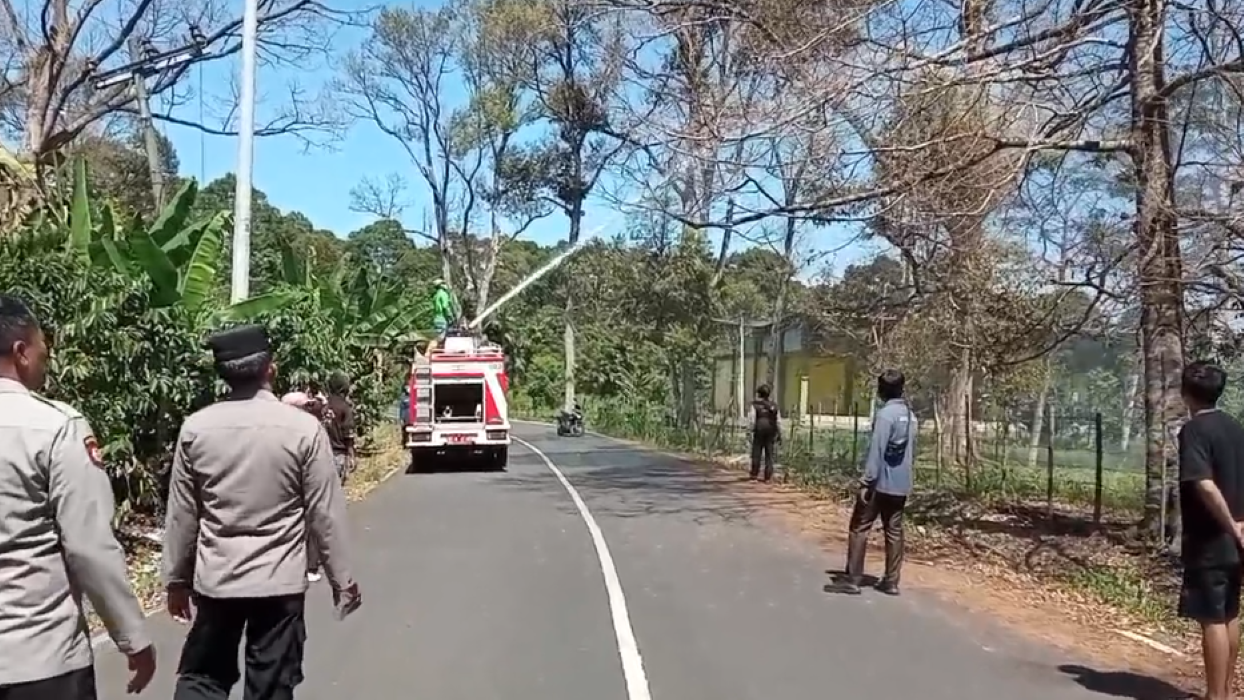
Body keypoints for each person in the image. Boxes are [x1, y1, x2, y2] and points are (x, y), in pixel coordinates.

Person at [162, 324, 360, 700]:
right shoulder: (303, 429)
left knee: (202, 677)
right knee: (271, 685)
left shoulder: (196, 429)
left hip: (217, 581)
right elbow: (324, 514)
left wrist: (176, 579)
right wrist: (342, 579)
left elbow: (183, 515)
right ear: (270, 368)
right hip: (279, 584)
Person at [0, 294, 156, 698]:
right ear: (21, 352)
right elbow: (89, 546)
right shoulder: (54, 426)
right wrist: (132, 635)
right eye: (42, 352)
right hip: (36, 658)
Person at [1176, 361, 1244, 700]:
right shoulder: (1235, 429)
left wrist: (1229, 524)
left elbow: (1202, 482)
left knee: (1212, 618)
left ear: (1185, 392)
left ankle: (1216, 697)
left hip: (1210, 538)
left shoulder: (1194, 431)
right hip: (1237, 540)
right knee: (1230, 612)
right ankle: (1226, 693)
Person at [838, 369, 916, 596]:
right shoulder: (911, 416)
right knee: (894, 530)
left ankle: (853, 579)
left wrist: (866, 482)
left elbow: (877, 451)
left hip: (879, 483)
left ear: (883, 390)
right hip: (900, 485)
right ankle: (891, 581)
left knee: (859, 527)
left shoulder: (885, 415)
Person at [325, 371, 356, 485]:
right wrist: (351, 456)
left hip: (322, 454)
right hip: (338, 455)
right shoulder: (345, 407)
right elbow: (348, 434)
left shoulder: (324, 405)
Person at [749, 385, 781, 482]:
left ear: (759, 394)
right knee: (769, 453)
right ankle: (768, 476)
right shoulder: (774, 406)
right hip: (771, 431)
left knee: (756, 452)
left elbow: (752, 419)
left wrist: (749, 431)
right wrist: (780, 433)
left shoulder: (755, 405)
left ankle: (754, 474)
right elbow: (778, 420)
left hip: (759, 430)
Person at [427, 279, 455, 355]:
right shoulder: (443, 294)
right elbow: (445, 307)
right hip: (442, 319)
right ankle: (428, 354)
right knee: (438, 338)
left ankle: (437, 355)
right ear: (441, 285)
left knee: (441, 339)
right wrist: (451, 317)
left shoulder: (436, 295)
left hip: (436, 318)